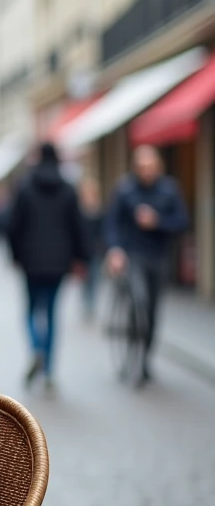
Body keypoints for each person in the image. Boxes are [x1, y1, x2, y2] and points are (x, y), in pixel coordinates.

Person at [6, 142, 88, 390]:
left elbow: (13, 225)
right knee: (52, 313)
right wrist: (81, 257)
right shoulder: (68, 189)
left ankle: (36, 348)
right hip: (58, 261)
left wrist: (16, 255)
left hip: (31, 260)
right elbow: (78, 226)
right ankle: (49, 369)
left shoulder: (24, 186)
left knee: (31, 310)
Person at [104, 144, 189, 384]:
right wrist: (115, 250)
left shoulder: (169, 190)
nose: (146, 171)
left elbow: (182, 222)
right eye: (142, 167)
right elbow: (112, 223)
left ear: (157, 167)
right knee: (138, 300)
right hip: (133, 255)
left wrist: (157, 221)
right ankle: (132, 345)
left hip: (160, 258)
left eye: (150, 167)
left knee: (152, 310)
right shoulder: (125, 189)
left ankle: (145, 358)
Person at [78, 176, 106, 321]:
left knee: (94, 279)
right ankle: (86, 304)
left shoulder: (99, 210)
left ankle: (91, 305)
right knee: (84, 280)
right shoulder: (79, 210)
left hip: (95, 251)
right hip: (83, 252)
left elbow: (103, 231)